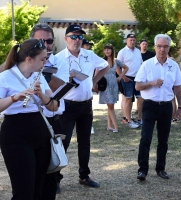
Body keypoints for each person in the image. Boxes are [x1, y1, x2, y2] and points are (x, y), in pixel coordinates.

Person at [0, 39, 59, 200]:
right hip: (15, 133)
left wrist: (41, 95)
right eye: (42, 59)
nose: (45, 62)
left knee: (41, 187)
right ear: (29, 59)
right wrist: (14, 98)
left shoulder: (39, 77)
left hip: (40, 130)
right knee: (23, 189)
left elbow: (54, 106)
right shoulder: (5, 77)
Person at [55, 24, 109, 190]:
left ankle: (84, 176)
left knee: (84, 143)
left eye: (80, 37)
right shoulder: (58, 59)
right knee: (62, 144)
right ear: (66, 39)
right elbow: (52, 85)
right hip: (67, 107)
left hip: (86, 106)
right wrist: (67, 81)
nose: (77, 40)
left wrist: (93, 81)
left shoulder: (89, 55)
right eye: (73, 36)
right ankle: (55, 179)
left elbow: (105, 66)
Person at [135, 34, 181, 181]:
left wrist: (180, 107)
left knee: (163, 140)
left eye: (165, 46)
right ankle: (142, 170)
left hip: (166, 107)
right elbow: (137, 85)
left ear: (169, 48)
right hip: (149, 105)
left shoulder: (173, 65)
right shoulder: (147, 64)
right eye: (159, 46)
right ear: (155, 47)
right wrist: (151, 83)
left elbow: (178, 88)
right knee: (146, 138)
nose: (162, 49)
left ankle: (160, 169)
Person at [29, 22, 70, 197]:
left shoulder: (60, 62)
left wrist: (43, 70)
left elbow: (59, 91)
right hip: (28, 122)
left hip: (52, 123)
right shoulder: (23, 62)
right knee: (29, 176)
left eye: (49, 41)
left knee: (51, 176)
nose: (45, 45)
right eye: (40, 41)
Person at [99, 44, 128, 132]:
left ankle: (109, 125)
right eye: (105, 49)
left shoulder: (116, 61)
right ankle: (116, 127)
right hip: (105, 84)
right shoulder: (102, 61)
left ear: (112, 50)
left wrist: (120, 77)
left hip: (114, 84)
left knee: (110, 105)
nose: (107, 51)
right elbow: (97, 72)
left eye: (108, 49)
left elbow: (126, 68)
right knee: (110, 105)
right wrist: (95, 85)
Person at [117, 34, 143, 128]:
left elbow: (141, 64)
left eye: (134, 40)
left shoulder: (138, 51)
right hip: (127, 78)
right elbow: (117, 66)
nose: (132, 42)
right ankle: (129, 120)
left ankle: (140, 119)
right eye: (130, 40)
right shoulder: (122, 52)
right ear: (126, 41)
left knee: (140, 98)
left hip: (138, 79)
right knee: (128, 99)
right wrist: (123, 77)